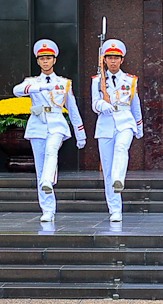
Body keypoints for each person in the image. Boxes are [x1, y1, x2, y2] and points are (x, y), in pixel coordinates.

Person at [12, 39, 85, 223]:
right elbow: (17, 90)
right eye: (42, 58)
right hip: (38, 124)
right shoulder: (31, 82)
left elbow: (73, 109)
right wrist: (38, 87)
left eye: (48, 58)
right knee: (40, 166)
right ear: (37, 61)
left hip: (57, 123)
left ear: (54, 60)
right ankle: (48, 209)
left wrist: (80, 133)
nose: (45, 61)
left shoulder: (64, 83)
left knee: (52, 151)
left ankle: (48, 181)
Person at [90, 38, 143, 224]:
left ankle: (119, 179)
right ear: (104, 60)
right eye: (109, 57)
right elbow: (94, 104)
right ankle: (115, 210)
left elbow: (135, 104)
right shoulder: (97, 80)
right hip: (105, 125)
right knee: (107, 171)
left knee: (121, 148)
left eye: (116, 57)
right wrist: (101, 104)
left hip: (125, 122)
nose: (113, 61)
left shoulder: (130, 80)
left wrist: (139, 126)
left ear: (122, 60)